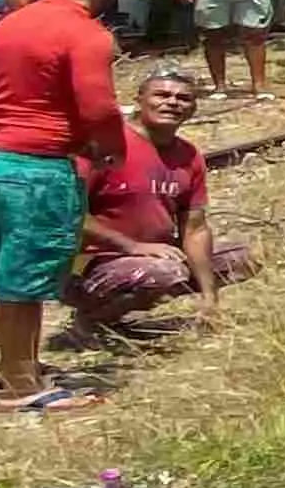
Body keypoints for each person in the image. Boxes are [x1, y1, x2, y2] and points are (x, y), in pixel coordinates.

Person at [0, 0, 132, 406]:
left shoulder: (11, 24)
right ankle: (22, 386)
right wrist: (113, 152)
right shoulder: (86, 33)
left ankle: (13, 366)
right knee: (27, 278)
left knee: (10, 275)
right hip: (34, 166)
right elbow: (98, 106)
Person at [69, 67, 255, 326]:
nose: (172, 103)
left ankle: (131, 305)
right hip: (91, 262)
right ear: (139, 101)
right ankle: (91, 320)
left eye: (183, 98)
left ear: (193, 108)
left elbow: (195, 228)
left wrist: (210, 299)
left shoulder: (189, 156)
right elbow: (68, 213)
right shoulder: (105, 145)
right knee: (165, 272)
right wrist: (133, 247)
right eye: (162, 95)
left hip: (157, 256)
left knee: (246, 256)